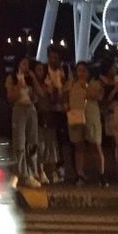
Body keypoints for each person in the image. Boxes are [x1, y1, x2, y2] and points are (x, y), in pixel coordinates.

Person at [65, 61, 107, 186]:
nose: (81, 73)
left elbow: (98, 97)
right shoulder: (71, 84)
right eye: (79, 71)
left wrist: (86, 87)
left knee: (95, 145)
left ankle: (101, 174)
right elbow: (64, 96)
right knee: (78, 146)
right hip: (76, 118)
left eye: (84, 71)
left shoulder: (95, 83)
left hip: (91, 117)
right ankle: (79, 174)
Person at [6, 55, 40, 188]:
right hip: (19, 110)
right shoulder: (11, 78)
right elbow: (10, 98)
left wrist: (33, 79)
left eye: (27, 64)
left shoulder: (31, 79)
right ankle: (19, 173)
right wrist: (19, 85)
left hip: (31, 110)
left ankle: (32, 173)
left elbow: (38, 96)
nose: (26, 67)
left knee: (32, 143)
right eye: (23, 64)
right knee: (19, 144)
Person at [31, 60, 59, 185]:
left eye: (42, 70)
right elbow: (40, 94)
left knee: (50, 145)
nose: (41, 72)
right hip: (38, 115)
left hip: (48, 115)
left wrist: (53, 89)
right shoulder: (32, 85)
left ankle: (52, 172)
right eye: (38, 70)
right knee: (40, 144)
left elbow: (53, 99)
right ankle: (40, 171)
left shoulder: (48, 83)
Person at [45, 45, 70, 181]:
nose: (53, 60)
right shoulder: (44, 71)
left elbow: (68, 89)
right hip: (50, 110)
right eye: (51, 57)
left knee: (64, 140)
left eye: (56, 58)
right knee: (51, 140)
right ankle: (53, 168)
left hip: (63, 110)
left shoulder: (64, 71)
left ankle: (63, 167)